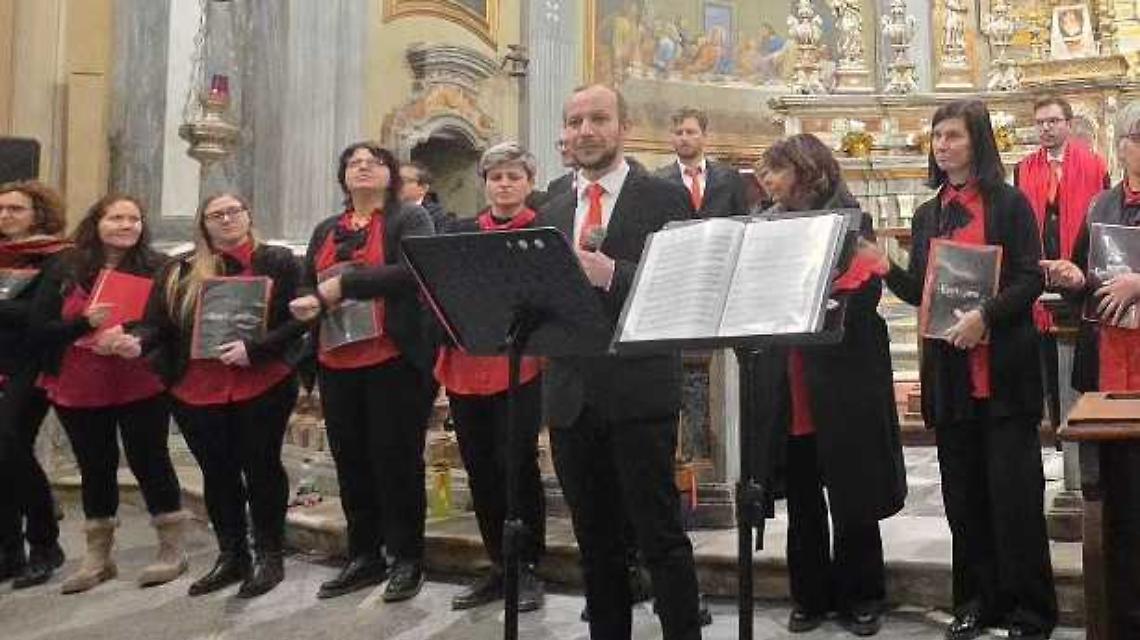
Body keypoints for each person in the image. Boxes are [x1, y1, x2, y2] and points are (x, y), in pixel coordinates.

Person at [863, 100, 1056, 640]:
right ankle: (976, 601)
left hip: (1003, 375)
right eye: (936, 137)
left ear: (978, 142)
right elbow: (926, 295)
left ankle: (1030, 611)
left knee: (1014, 500)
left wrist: (984, 317)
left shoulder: (1010, 204)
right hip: (951, 380)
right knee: (964, 500)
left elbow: (1028, 279)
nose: (941, 145)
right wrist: (886, 270)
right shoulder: (929, 215)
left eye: (952, 135)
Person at [538, 83, 702, 640]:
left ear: (623, 127)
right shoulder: (551, 204)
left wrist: (611, 274)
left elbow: (683, 288)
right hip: (570, 398)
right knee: (595, 544)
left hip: (637, 391)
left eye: (598, 119)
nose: (586, 131)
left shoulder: (664, 197)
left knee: (660, 538)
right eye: (576, 120)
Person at [759, 134, 907, 637]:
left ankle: (862, 594)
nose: (767, 179)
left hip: (843, 377)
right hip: (795, 374)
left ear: (804, 171)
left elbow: (863, 300)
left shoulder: (851, 219)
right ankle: (810, 595)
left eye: (775, 170)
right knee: (802, 494)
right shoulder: (768, 221)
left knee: (851, 491)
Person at [132, 193, 306, 598]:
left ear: (248, 216)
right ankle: (232, 555)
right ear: (203, 223)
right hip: (197, 389)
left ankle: (269, 554)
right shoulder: (179, 268)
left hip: (261, 382)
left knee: (262, 468)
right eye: (217, 214)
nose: (227, 219)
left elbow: (299, 320)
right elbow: (154, 325)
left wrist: (256, 349)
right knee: (217, 472)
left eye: (234, 211)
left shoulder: (277, 260)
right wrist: (134, 343)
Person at [289, 142, 437, 602]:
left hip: (394, 359)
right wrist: (306, 301)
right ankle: (364, 556)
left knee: (396, 462)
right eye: (354, 163)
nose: (363, 168)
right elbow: (307, 282)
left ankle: (408, 558)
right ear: (343, 177)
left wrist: (347, 283)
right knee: (352, 462)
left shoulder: (409, 218)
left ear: (391, 175)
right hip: (336, 361)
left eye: (373, 162)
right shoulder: (326, 228)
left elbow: (416, 273)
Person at [29, 194, 187, 594]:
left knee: (149, 458)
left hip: (138, 377)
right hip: (80, 381)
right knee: (94, 464)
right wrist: (84, 325)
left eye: (134, 218)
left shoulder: (159, 265)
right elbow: (39, 326)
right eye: (116, 217)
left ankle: (172, 549)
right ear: (96, 222)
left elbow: (170, 325)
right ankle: (99, 557)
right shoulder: (65, 265)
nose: (126, 225)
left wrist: (135, 337)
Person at [1040, 101, 1140, 637]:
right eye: (1139, 138)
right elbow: (1086, 273)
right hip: (1109, 373)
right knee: (1117, 503)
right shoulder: (1102, 202)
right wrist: (1070, 272)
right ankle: (1120, 616)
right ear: (1121, 146)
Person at [435, 142, 546, 612]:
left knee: (517, 467)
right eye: (496, 177)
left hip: (519, 368)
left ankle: (529, 567)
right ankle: (499, 565)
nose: (504, 184)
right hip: (464, 367)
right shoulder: (460, 232)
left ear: (528, 183)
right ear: (484, 183)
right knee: (480, 469)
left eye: (513, 176)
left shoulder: (543, 232)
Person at [1014, 95, 1109, 419]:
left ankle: (1084, 423)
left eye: (1053, 121)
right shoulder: (1024, 168)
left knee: (1078, 356)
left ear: (1068, 125)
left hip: (1080, 275)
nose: (1046, 128)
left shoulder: (1095, 165)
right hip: (1038, 274)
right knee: (1045, 361)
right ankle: (1056, 424)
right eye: (1040, 122)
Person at [0, 181, 70, 588]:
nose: (6, 215)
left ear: (38, 213)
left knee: (8, 442)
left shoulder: (57, 258)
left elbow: (38, 316)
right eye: (2, 209)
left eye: (16, 209)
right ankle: (9, 551)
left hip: (32, 364)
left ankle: (45, 542)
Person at [655, 106, 747, 218]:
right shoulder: (658, 181)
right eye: (678, 133)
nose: (684, 138)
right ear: (672, 139)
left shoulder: (730, 178)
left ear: (704, 136)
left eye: (690, 132)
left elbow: (742, 220)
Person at [399, 161, 453, 233]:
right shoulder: (386, 209)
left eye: (403, 180)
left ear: (423, 188)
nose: (397, 185)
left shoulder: (436, 216)